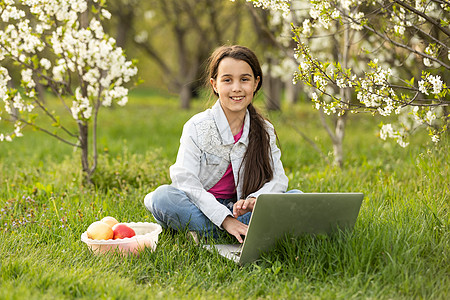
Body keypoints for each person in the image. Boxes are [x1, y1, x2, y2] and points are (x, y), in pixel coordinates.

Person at [144, 45, 297, 243]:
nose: (236, 88)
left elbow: (279, 180)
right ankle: (240, 233)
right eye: (227, 80)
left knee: (295, 196)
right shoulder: (197, 127)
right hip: (202, 209)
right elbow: (185, 181)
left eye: (244, 79)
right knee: (162, 197)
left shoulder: (264, 129)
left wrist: (255, 200)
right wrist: (225, 220)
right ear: (214, 84)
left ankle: (214, 233)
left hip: (242, 211)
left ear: (256, 83)